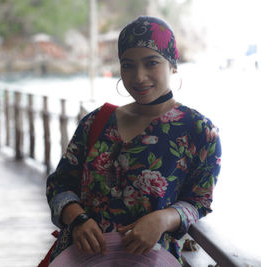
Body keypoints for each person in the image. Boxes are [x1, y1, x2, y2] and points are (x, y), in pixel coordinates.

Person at [46, 16, 221, 265]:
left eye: (151, 63)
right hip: (81, 258)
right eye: (128, 65)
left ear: (173, 64)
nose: (139, 76)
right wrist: (77, 219)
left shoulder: (199, 131)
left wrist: (163, 219)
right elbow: (58, 185)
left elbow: (199, 201)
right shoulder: (96, 122)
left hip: (151, 260)